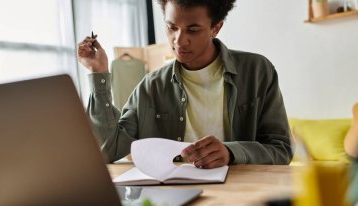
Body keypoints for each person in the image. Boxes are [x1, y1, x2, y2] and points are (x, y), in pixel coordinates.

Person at [77, 0, 293, 169]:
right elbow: (108, 150)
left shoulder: (257, 71)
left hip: (244, 200)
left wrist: (232, 153)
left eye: (193, 30)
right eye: (172, 27)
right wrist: (99, 73)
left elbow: (281, 150)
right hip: (174, 198)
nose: (179, 41)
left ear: (216, 28)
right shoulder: (151, 87)